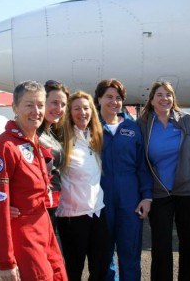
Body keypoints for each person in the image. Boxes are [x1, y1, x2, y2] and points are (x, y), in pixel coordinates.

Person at [0, 80, 67, 281]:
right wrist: (6, 262)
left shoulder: (33, 142)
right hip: (24, 235)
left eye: (40, 105)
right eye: (29, 105)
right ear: (14, 108)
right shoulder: (3, 147)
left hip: (44, 228)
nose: (36, 111)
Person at [137, 81, 190, 281]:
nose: (164, 98)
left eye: (168, 94)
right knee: (161, 246)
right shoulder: (143, 124)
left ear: (173, 98)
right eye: (159, 95)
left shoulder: (185, 120)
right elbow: (141, 160)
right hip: (160, 192)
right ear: (151, 100)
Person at [94, 79, 153, 281]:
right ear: (99, 98)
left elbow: (142, 166)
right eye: (109, 97)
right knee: (103, 254)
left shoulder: (132, 128)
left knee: (130, 252)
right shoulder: (90, 128)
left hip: (129, 199)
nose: (114, 102)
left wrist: (147, 197)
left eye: (118, 98)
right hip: (99, 200)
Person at [56, 91, 112, 281]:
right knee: (74, 269)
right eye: (77, 108)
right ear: (69, 113)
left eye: (86, 108)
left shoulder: (94, 138)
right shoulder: (62, 141)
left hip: (97, 212)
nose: (83, 112)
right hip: (73, 216)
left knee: (101, 266)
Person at [10, 80, 69, 233]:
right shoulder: (30, 134)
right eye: (54, 103)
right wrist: (5, 202)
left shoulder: (50, 133)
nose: (59, 109)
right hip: (36, 210)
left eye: (63, 104)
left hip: (53, 206)